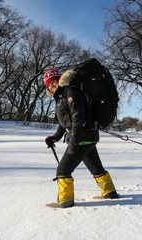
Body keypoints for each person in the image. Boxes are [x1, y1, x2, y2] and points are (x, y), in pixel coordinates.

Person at [43, 67, 119, 208]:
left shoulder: (70, 92)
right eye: (49, 84)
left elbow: (78, 119)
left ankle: (65, 201)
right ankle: (110, 192)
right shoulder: (60, 98)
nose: (52, 86)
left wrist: (74, 144)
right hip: (87, 137)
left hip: (82, 137)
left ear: (60, 80)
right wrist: (54, 138)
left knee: (63, 171)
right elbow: (64, 124)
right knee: (97, 169)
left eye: (54, 82)